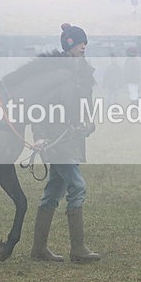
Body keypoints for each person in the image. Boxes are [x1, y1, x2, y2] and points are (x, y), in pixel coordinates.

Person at [30, 23, 100, 263]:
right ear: (68, 44)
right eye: (80, 42)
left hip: (72, 139)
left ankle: (39, 249)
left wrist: (89, 122)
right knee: (77, 187)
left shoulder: (84, 73)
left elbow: (86, 106)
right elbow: (36, 107)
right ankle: (78, 249)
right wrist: (38, 135)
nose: (84, 46)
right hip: (55, 140)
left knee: (53, 192)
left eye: (85, 42)